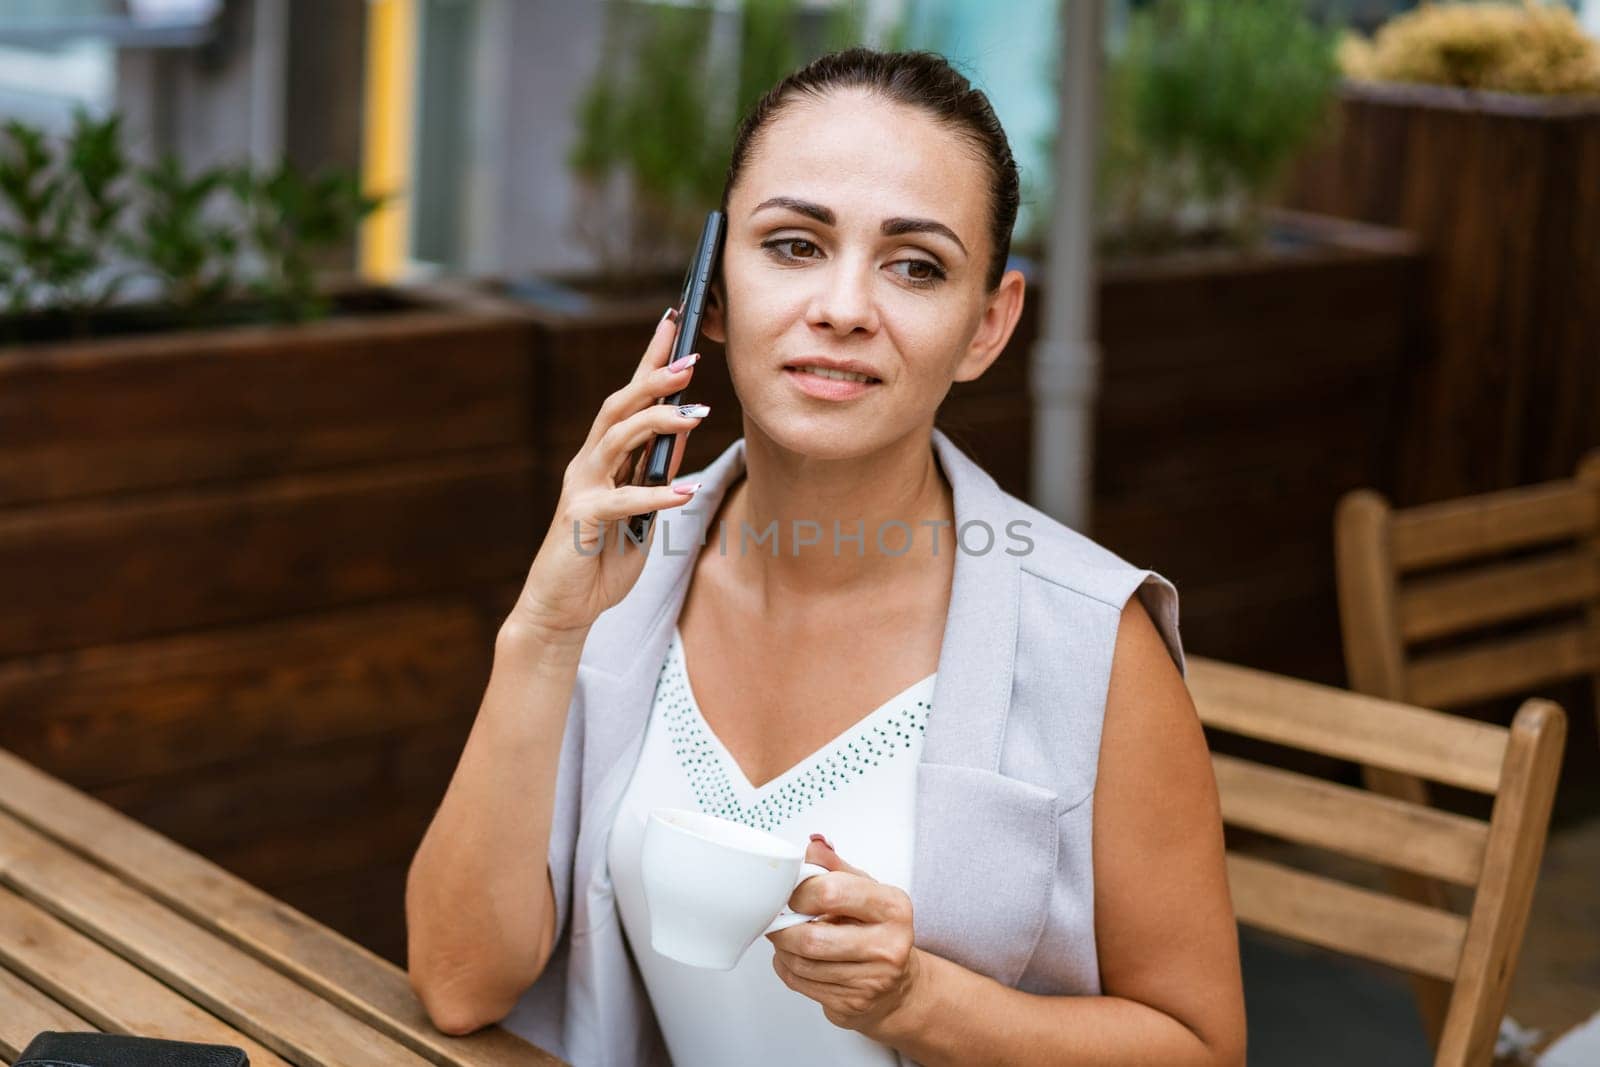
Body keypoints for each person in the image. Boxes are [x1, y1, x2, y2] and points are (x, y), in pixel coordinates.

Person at [405, 47, 1245, 1067]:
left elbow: (1202, 1048)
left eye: (915, 264)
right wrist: (542, 631)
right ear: (713, 294)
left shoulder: (1092, 640)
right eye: (795, 245)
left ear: (987, 324)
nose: (844, 306)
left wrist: (919, 999)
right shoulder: (622, 578)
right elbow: (457, 982)